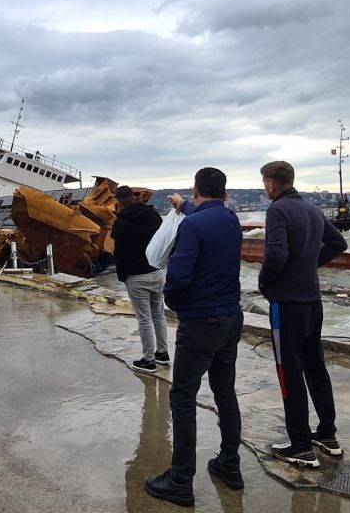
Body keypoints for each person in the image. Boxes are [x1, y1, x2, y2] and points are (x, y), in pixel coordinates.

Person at [145, 168, 245, 507]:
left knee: (183, 397)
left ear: (195, 189)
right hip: (231, 319)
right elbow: (204, 212)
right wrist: (183, 204)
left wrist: (174, 302)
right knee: (225, 392)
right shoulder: (231, 220)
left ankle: (181, 480)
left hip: (201, 322)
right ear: (226, 194)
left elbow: (180, 277)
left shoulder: (192, 226)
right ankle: (230, 464)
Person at [258, 161, 349, 467]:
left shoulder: (278, 210)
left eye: (265, 183)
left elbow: (277, 254)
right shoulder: (312, 209)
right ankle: (327, 433)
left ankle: (299, 445)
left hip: (287, 303)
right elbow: (338, 243)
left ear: (271, 184)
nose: (265, 188)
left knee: (289, 372)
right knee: (315, 366)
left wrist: (265, 283)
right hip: (312, 300)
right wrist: (310, 265)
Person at [110, 185, 169, 373]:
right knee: (158, 314)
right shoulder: (153, 216)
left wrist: (122, 275)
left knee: (144, 318)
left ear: (119, 201)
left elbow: (116, 248)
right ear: (134, 197)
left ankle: (148, 359)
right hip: (157, 271)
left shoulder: (121, 222)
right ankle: (163, 353)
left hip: (136, 276)